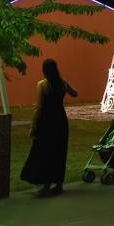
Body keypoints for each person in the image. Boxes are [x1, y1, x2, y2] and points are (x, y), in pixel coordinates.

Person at [20, 58, 77, 197]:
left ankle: (45, 186)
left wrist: (33, 126)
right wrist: (66, 86)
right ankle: (58, 184)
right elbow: (75, 94)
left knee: (44, 152)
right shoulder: (62, 83)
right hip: (60, 120)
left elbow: (39, 107)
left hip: (47, 121)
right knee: (59, 151)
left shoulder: (42, 85)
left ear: (44, 70)